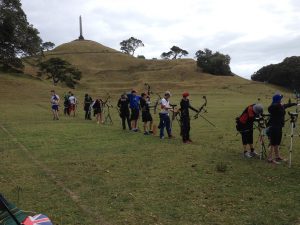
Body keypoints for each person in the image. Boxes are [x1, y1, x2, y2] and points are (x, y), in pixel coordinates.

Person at [267, 94, 297, 164]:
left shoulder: (281, 106)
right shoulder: (273, 107)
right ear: (277, 100)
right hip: (274, 126)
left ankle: (277, 156)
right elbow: (270, 108)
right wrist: (278, 104)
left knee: (277, 142)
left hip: (279, 126)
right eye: (280, 99)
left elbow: (286, 105)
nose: (281, 100)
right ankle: (270, 158)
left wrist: (295, 103)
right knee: (273, 142)